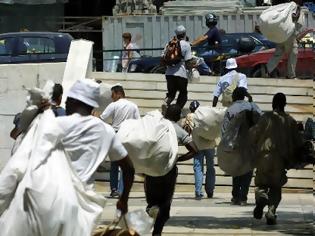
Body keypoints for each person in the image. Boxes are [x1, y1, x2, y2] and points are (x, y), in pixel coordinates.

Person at [250, 93, 305, 225]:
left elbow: (254, 134)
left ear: (273, 104)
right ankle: (271, 211)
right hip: (280, 159)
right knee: (276, 187)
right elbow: (298, 142)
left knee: (261, 184)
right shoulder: (290, 121)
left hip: (264, 156)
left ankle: (261, 197)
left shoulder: (265, 118)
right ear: (284, 104)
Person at [145, 104, 198, 236]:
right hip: (169, 171)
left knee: (153, 203)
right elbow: (195, 150)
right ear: (178, 117)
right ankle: (157, 232)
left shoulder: (155, 126)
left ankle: (152, 209)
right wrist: (178, 159)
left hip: (151, 169)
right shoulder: (178, 130)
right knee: (165, 205)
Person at [222, 87, 263, 206]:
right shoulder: (253, 106)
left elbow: (225, 128)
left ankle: (235, 196)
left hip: (236, 144)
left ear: (234, 96)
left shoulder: (231, 109)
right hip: (251, 144)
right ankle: (243, 197)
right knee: (248, 171)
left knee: (236, 170)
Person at [100, 85, 140, 197]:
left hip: (116, 135)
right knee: (125, 165)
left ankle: (114, 189)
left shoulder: (113, 105)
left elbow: (102, 118)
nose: (111, 97)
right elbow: (138, 122)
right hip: (128, 136)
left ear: (118, 93)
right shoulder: (133, 106)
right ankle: (122, 190)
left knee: (114, 164)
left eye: (112, 94)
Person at [183, 100, 216, 200]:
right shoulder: (207, 115)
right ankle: (210, 191)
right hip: (210, 144)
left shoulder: (190, 116)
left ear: (191, 108)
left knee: (198, 168)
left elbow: (186, 130)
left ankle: (198, 192)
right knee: (210, 168)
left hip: (197, 146)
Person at [265, 0, 304, 79]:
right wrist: (298, 12)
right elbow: (294, 17)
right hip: (289, 35)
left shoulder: (285, 6)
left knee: (278, 54)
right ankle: (291, 75)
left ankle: (267, 69)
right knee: (293, 53)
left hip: (281, 34)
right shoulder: (295, 7)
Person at [162, 25, 192, 111]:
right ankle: (176, 111)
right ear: (184, 34)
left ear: (176, 34)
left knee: (171, 94)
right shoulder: (186, 45)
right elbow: (188, 61)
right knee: (183, 94)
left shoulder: (169, 44)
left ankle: (166, 103)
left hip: (169, 73)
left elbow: (163, 57)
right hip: (181, 74)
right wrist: (194, 66)